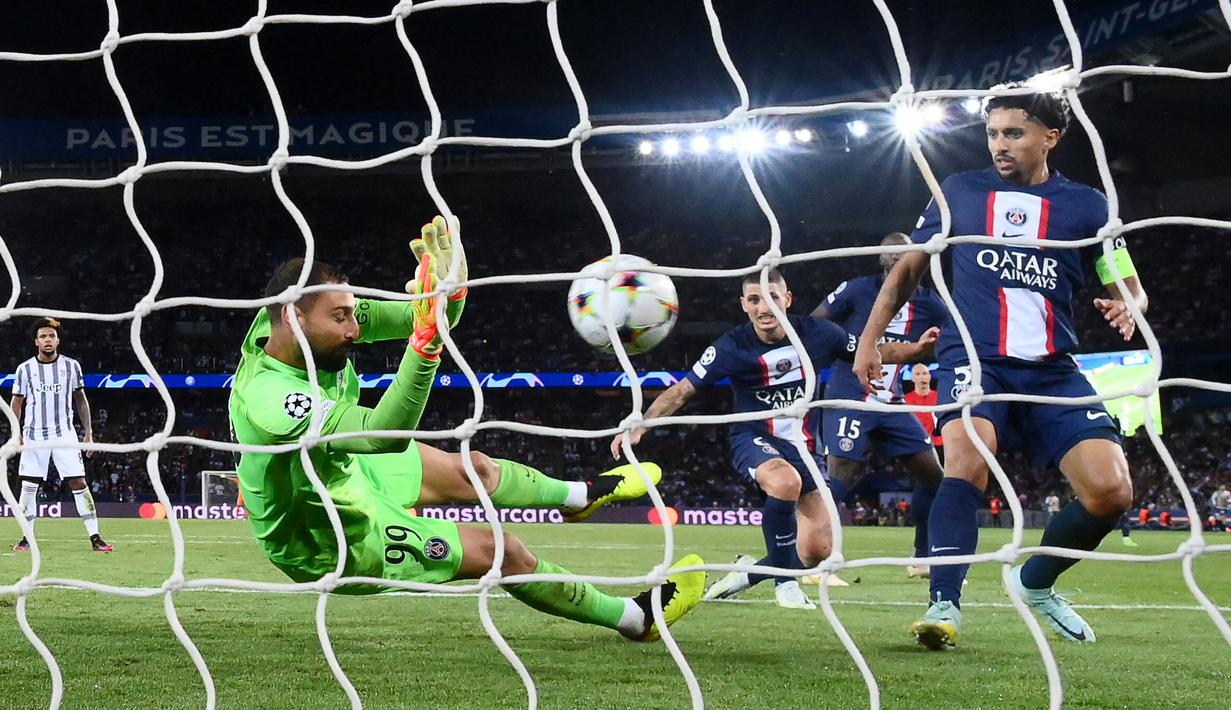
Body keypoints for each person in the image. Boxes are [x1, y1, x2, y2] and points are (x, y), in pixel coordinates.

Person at [228, 217, 704, 642]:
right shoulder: (271, 398)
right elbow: (381, 432)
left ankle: (580, 497)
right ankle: (637, 619)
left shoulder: (293, 319)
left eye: (353, 313)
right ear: (292, 317)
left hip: (342, 469)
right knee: (501, 550)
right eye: (341, 318)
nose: (355, 328)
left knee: (473, 468)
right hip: (325, 533)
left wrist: (449, 291)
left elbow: (429, 320)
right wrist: (425, 345)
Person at [853, 86, 1146, 649]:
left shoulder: (1089, 206)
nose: (999, 144)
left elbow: (1130, 287)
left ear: (1050, 137)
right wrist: (870, 340)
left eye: (1013, 133)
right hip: (974, 357)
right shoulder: (958, 193)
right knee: (965, 464)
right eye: (992, 133)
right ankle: (944, 604)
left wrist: (1127, 307)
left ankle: (1035, 581)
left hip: (1052, 369)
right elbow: (906, 272)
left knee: (1111, 494)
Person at [610, 268, 935, 609]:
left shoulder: (819, 333)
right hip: (753, 438)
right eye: (754, 300)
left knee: (817, 552)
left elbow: (872, 350)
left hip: (804, 447)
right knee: (783, 482)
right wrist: (642, 424)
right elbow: (682, 391)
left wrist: (918, 349)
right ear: (744, 305)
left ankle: (747, 573)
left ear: (787, 299)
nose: (764, 308)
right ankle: (786, 585)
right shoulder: (731, 347)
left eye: (772, 298)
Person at [813, 234, 947, 581]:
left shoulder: (931, 303)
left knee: (935, 478)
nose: (897, 259)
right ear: (880, 259)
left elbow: (951, 340)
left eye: (904, 254)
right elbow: (814, 324)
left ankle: (922, 558)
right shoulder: (857, 290)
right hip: (850, 391)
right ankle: (814, 560)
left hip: (891, 401)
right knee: (840, 476)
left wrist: (928, 350)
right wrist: (848, 346)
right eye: (890, 254)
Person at [10, 317, 112, 552]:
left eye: (52, 336)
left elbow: (81, 400)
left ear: (58, 340)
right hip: (33, 435)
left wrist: (88, 434)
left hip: (65, 434)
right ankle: (27, 538)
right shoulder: (25, 369)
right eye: (43, 336)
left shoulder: (71, 366)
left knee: (79, 482)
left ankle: (95, 537)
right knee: (29, 485)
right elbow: (17, 403)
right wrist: (17, 433)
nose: (48, 340)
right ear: (36, 342)